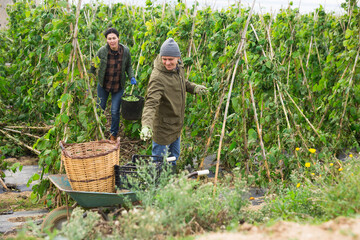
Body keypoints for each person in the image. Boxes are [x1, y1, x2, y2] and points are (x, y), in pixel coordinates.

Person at [140, 38, 208, 166]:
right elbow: (151, 103)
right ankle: (157, 184)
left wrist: (194, 88)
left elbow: (182, 82)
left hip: (176, 124)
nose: (167, 62)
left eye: (170, 59)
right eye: (164, 59)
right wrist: (146, 125)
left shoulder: (178, 68)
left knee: (173, 158)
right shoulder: (158, 77)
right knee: (159, 162)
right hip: (163, 128)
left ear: (178, 58)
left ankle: (169, 182)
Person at [90, 27, 136, 141]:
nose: (112, 41)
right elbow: (93, 65)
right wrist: (89, 79)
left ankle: (113, 135)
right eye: (109, 38)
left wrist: (131, 76)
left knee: (115, 111)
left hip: (118, 86)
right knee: (100, 108)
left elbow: (129, 65)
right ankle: (97, 132)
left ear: (118, 38)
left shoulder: (125, 51)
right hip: (103, 85)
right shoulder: (102, 51)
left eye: (114, 38)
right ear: (106, 40)